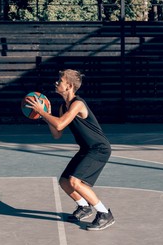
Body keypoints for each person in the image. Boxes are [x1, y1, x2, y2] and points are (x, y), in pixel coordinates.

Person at [25, 69, 115, 231]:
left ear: (69, 86)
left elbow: (59, 124)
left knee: (75, 181)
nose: (56, 83)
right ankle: (84, 207)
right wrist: (45, 116)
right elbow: (57, 133)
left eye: (60, 81)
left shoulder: (77, 103)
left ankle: (104, 214)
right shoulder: (62, 107)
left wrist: (41, 111)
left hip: (99, 148)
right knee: (64, 182)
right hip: (86, 148)